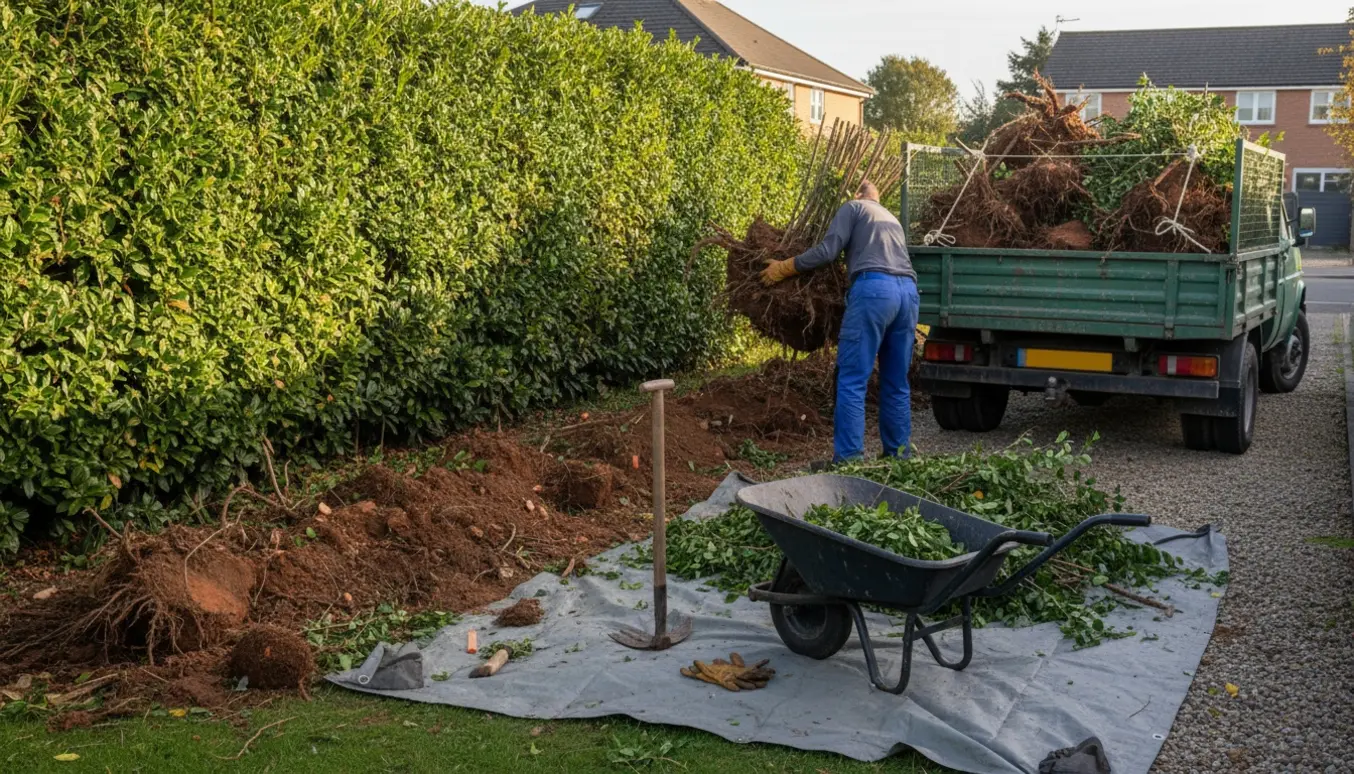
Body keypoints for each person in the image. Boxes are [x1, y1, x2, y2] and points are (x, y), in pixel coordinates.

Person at [760, 181, 919, 463]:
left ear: (858, 195)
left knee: (852, 379)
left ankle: (849, 460)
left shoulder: (853, 208)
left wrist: (785, 267)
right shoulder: (890, 218)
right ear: (877, 198)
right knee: (896, 382)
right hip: (907, 294)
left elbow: (827, 251)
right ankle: (898, 458)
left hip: (874, 291)